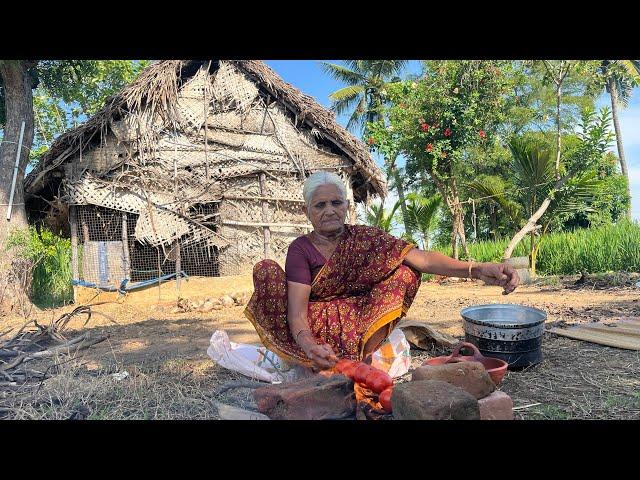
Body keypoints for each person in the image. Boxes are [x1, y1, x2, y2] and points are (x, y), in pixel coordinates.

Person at [244, 171, 519, 371]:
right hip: (314, 325)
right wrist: (308, 345)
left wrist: (477, 269)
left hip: (358, 322)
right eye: (320, 205)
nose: (329, 210)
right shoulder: (301, 249)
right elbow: (297, 313)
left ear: (347, 207)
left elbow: (422, 259)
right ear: (307, 211)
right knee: (266, 270)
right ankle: (314, 357)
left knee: (406, 271)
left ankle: (363, 357)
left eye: (336, 203)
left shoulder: (365, 238)